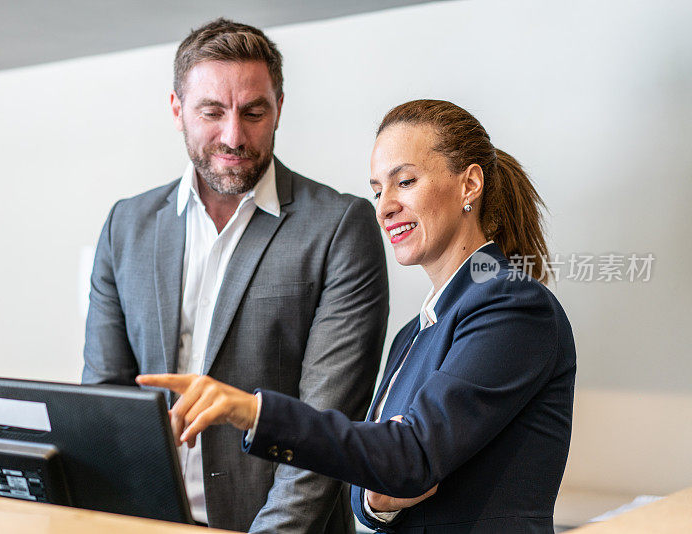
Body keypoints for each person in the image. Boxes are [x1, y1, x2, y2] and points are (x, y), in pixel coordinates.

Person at [138, 99, 577, 533]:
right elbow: (373, 478)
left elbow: (406, 459)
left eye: (404, 182)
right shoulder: (412, 334)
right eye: (376, 190)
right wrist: (374, 494)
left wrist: (253, 411)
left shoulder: (514, 306)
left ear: (469, 185)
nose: (384, 206)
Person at [82, 18, 389, 533]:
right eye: (212, 112)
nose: (234, 135)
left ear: (279, 109)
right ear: (177, 109)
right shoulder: (126, 226)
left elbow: (325, 427)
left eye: (253, 112)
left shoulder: (340, 227)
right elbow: (103, 403)